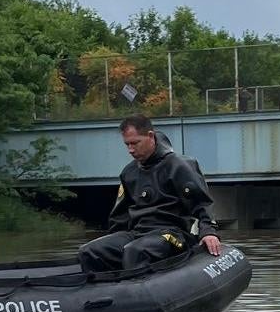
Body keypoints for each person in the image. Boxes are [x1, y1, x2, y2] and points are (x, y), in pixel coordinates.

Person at [78, 114, 222, 273]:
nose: (131, 150)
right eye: (127, 145)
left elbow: (202, 203)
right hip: (138, 234)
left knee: (136, 251)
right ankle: (104, 290)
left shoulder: (179, 166)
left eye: (135, 143)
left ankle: (139, 291)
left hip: (173, 235)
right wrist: (114, 242)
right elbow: (119, 217)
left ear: (151, 137)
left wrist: (208, 232)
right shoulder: (129, 173)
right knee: (89, 251)